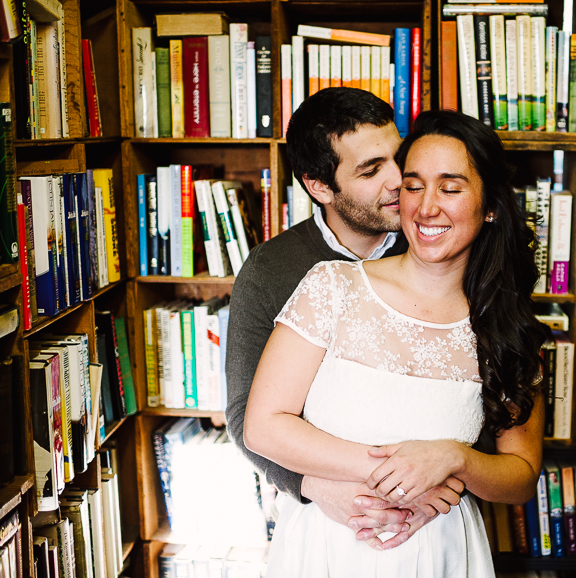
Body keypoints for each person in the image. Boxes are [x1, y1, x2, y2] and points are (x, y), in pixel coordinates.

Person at [244, 110, 550, 575]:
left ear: (489, 206)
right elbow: (263, 426)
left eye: (450, 188)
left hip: (442, 550)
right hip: (326, 544)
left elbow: (521, 478)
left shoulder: (507, 326)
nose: (427, 207)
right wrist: (405, 477)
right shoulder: (332, 285)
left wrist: (455, 460)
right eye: (412, 185)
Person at [225, 87, 461, 551]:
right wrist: (313, 486)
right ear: (319, 186)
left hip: (439, 511)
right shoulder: (270, 270)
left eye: (399, 157)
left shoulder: (441, 244)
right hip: (330, 516)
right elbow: (243, 414)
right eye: (371, 170)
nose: (400, 180)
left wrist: (448, 480)